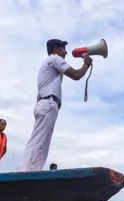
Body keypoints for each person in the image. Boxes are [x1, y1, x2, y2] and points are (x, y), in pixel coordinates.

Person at [17, 39, 92, 172]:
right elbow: (76, 75)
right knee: (40, 142)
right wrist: (86, 64)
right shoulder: (55, 59)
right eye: (63, 49)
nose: (66, 52)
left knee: (40, 141)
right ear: (56, 49)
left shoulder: (49, 61)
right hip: (48, 103)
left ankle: (30, 170)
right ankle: (27, 171)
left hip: (45, 103)